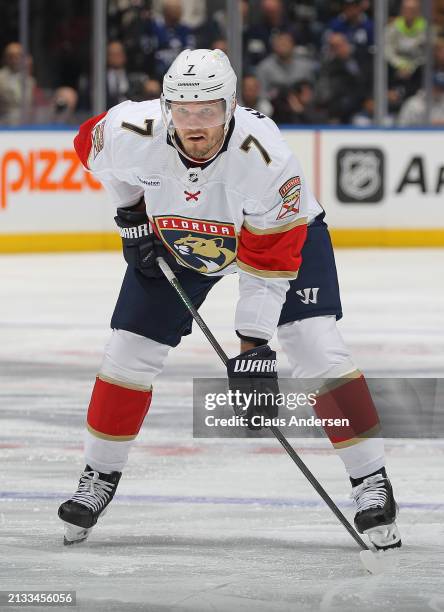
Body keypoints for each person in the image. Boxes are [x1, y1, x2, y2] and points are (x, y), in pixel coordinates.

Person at [58, 49, 401, 552]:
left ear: (232, 107)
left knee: (315, 347)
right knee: (128, 352)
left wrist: (253, 345)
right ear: (165, 106)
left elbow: (267, 266)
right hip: (183, 238)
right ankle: (98, 475)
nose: (194, 125)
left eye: (209, 112)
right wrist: (129, 210)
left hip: (280, 239)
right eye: (184, 110)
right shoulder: (132, 130)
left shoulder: (265, 156)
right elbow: (93, 151)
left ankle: (370, 479)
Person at [385, 0, 428, 99]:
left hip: (417, 70)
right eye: (406, 9)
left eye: (413, 10)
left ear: (418, 11)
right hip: (396, 68)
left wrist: (411, 67)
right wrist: (400, 64)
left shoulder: (426, 29)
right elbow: (388, 50)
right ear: (402, 10)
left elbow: (426, 54)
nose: (409, 12)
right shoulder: (392, 28)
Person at [256, 31, 317, 99]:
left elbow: (313, 90)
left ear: (293, 45)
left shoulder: (305, 66)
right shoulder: (264, 67)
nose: (283, 47)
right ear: (274, 47)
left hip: (301, 104)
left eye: (285, 44)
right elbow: (261, 93)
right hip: (274, 104)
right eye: (280, 44)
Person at [0, 42, 35, 125]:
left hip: (28, 123)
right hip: (5, 123)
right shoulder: (1, 77)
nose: (15, 59)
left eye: (18, 56)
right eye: (11, 56)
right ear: (6, 58)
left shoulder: (30, 80)